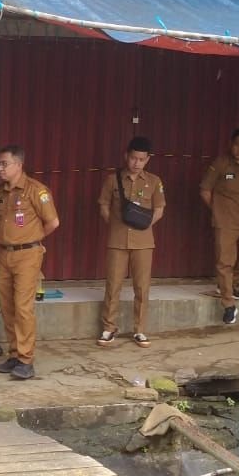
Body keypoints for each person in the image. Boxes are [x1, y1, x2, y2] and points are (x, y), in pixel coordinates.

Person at [0, 145, 59, 380]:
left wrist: (33, 240)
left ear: (18, 165)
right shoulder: (0, 193)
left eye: (4, 164)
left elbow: (52, 222)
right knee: (7, 306)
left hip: (27, 254)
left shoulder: (36, 191)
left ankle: (26, 359)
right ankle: (14, 354)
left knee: (23, 307)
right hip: (4, 254)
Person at [98, 136, 166, 347]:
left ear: (148, 160)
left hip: (144, 242)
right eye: (133, 158)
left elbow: (159, 209)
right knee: (113, 285)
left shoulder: (154, 181)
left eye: (141, 159)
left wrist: (144, 226)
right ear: (126, 156)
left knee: (142, 287)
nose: (136, 163)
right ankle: (109, 328)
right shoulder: (113, 179)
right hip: (117, 240)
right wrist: (115, 224)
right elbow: (104, 206)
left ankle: (139, 329)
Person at [199, 127, 239, 326]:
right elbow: (205, 190)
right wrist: (219, 209)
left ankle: (228, 283)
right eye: (237, 145)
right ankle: (228, 304)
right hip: (225, 220)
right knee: (225, 260)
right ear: (231, 144)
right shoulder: (220, 163)